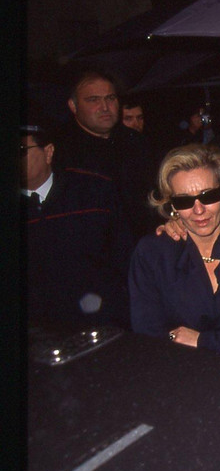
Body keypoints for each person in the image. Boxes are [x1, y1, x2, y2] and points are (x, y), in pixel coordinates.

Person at [129, 144, 220, 366]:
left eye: (208, 196)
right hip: (185, 381)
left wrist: (200, 341)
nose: (198, 210)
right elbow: (148, 338)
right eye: (184, 201)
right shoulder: (155, 254)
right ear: (172, 205)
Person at [21, 122, 132, 330]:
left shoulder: (93, 191)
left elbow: (124, 256)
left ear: (48, 152)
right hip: (38, 331)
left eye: (20, 150)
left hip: (103, 321)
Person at [54, 69, 157, 241]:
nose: (104, 107)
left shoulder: (136, 143)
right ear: (73, 105)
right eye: (93, 100)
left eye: (110, 98)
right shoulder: (61, 151)